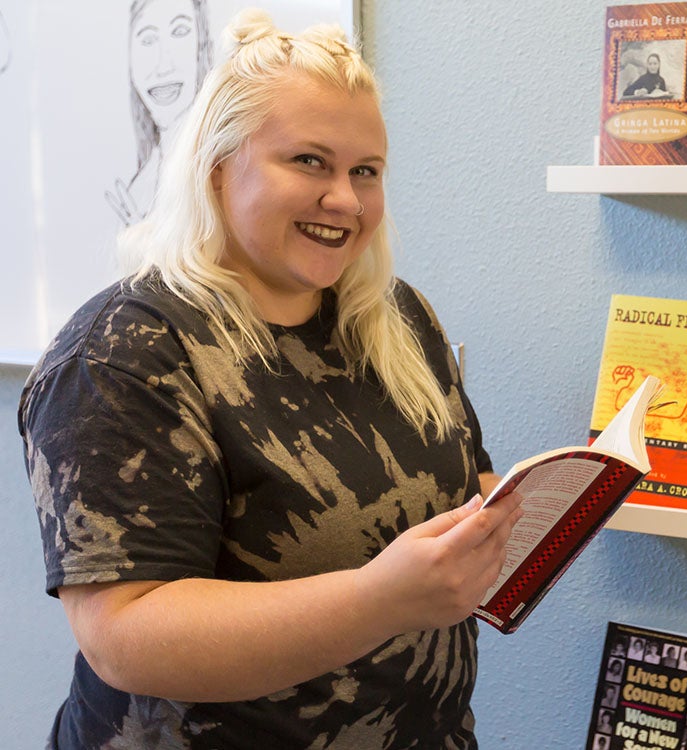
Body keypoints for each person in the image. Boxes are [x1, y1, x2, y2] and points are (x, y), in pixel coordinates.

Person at [19, 9, 524, 748]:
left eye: (366, 172)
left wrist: (514, 523)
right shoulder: (124, 352)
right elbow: (123, 636)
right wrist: (379, 599)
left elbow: (463, 487)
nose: (345, 200)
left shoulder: (397, 318)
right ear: (218, 167)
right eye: (310, 162)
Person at [106, 0, 214, 226]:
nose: (164, 65)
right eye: (147, 40)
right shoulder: (137, 191)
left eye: (180, 31)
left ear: (201, 45)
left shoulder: (224, 173)